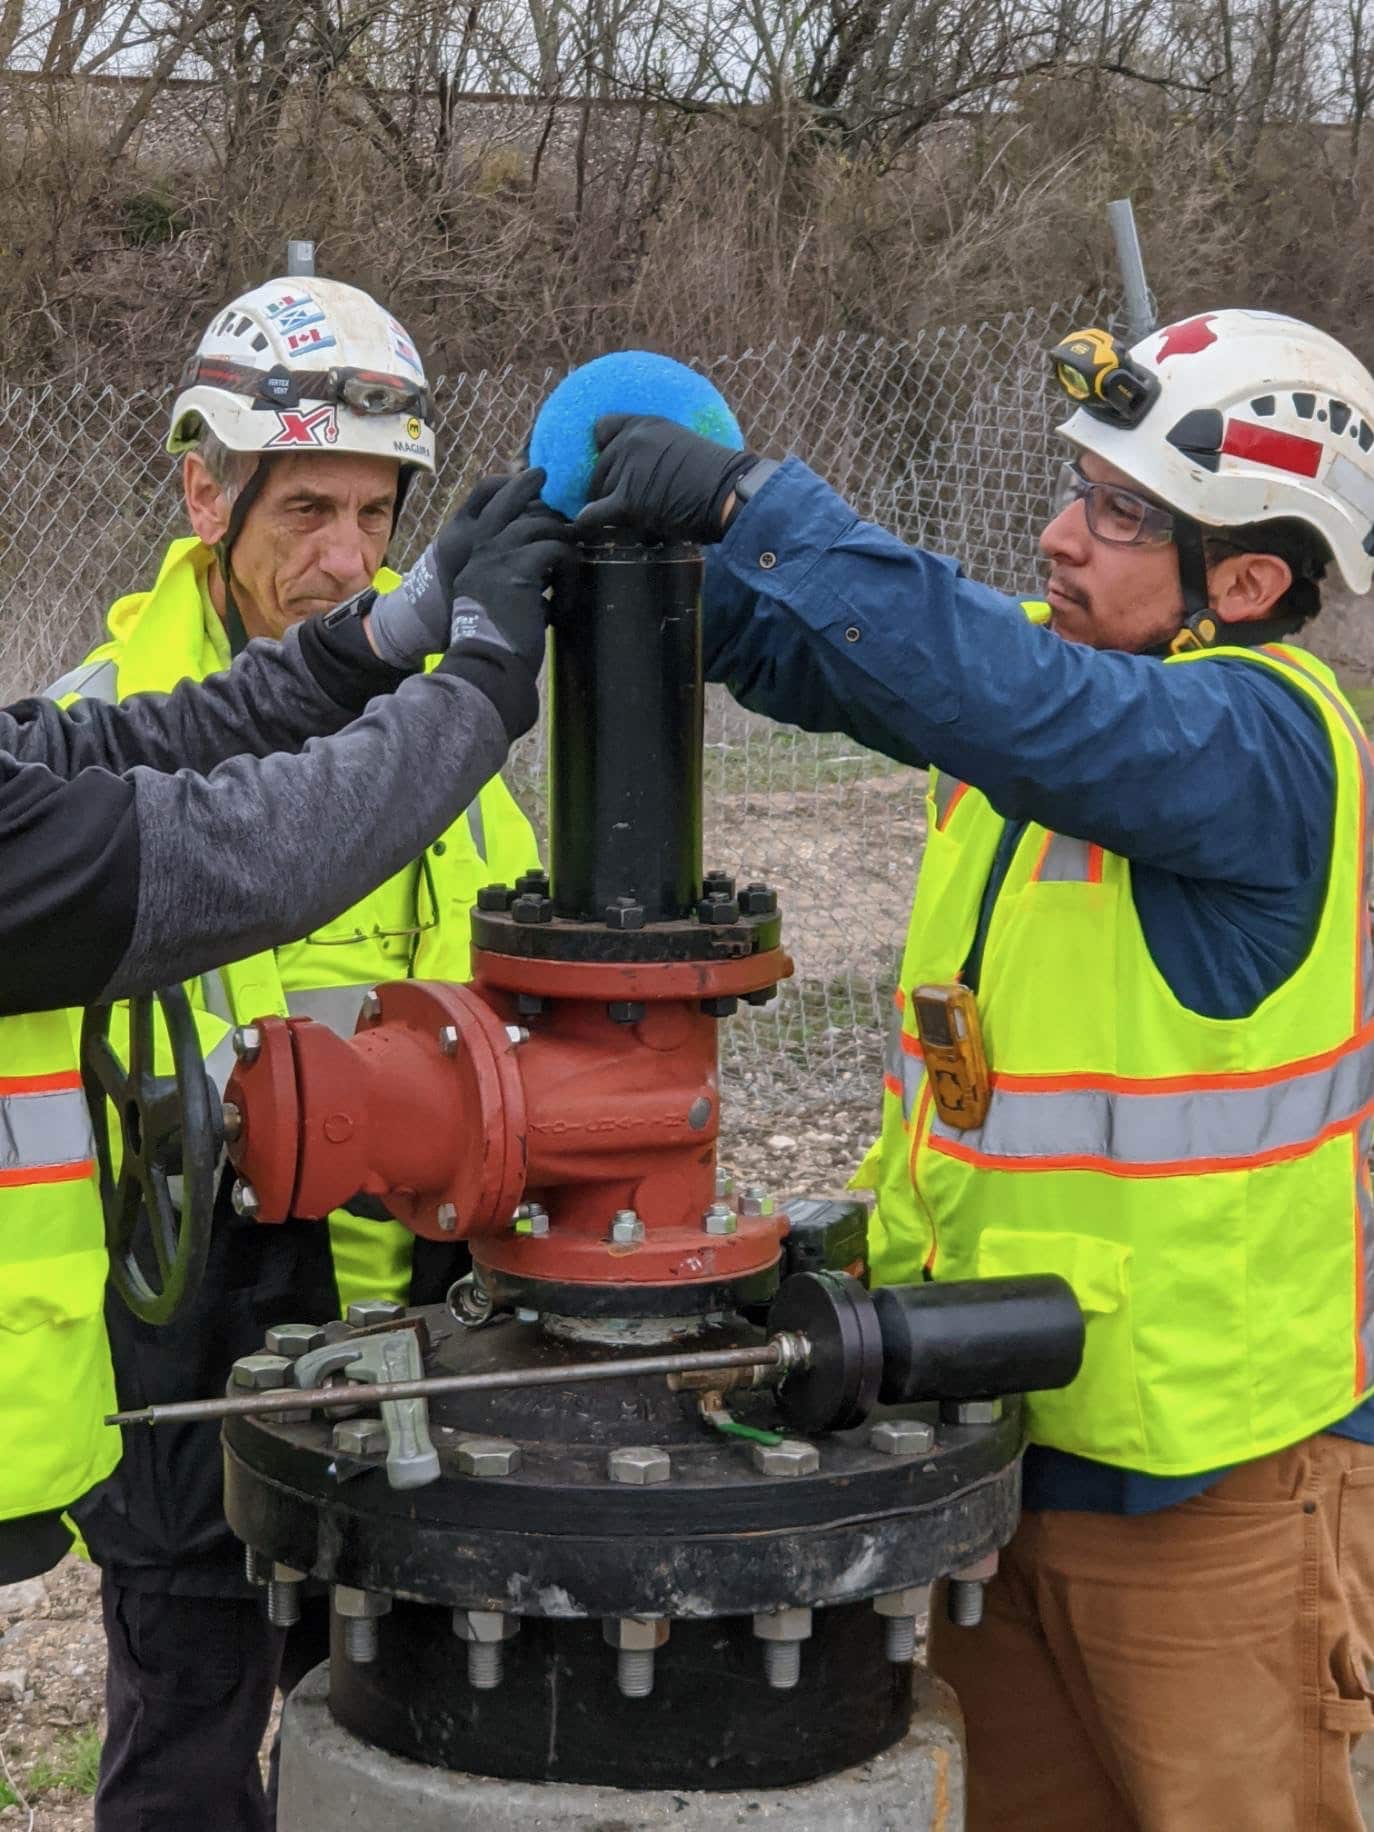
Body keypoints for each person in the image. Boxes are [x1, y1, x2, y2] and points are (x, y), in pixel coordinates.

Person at [578, 310, 1374, 1829]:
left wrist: (757, 502)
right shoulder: (1054, 685)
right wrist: (627, 559)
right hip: (1005, 1441)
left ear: (1249, 581)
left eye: (1120, 513)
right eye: (1075, 485)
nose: (1058, 535)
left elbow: (1003, 701)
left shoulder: (1259, 746)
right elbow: (845, 656)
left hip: (1213, 1497)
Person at [34, 277, 550, 1832]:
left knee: (395, 1734)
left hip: (413, 1332)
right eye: (307, 506)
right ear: (205, 490)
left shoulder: (460, 778)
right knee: (189, 1739)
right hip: (177, 1343)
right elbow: (242, 844)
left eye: (377, 515)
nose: (345, 559)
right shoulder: (87, 732)